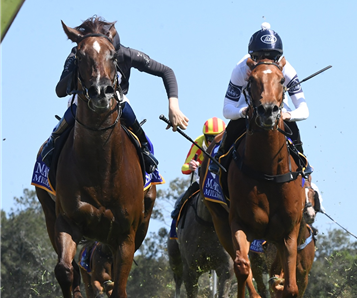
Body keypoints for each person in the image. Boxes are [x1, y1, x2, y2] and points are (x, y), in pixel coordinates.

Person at [42, 16, 189, 172]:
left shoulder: (126, 54)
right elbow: (59, 91)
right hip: (83, 98)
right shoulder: (78, 54)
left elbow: (166, 71)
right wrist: (76, 67)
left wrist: (174, 106)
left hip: (116, 98)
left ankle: (144, 148)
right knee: (74, 108)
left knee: (124, 106)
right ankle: (53, 142)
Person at [212, 22, 309, 173]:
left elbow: (304, 110)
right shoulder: (241, 68)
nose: (266, 62)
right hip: (249, 109)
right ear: (251, 57)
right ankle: (221, 158)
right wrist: (242, 112)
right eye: (259, 57)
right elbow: (227, 109)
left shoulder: (287, 69)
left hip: (278, 110)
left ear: (280, 58)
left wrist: (287, 115)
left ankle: (303, 162)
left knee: (293, 128)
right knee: (233, 126)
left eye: (273, 57)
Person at [171, 117, 226, 220]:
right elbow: (184, 167)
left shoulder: (228, 142)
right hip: (203, 178)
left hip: (223, 176)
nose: (213, 142)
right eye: (210, 138)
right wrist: (191, 166)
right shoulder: (199, 142)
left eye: (218, 137)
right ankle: (178, 213)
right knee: (185, 196)